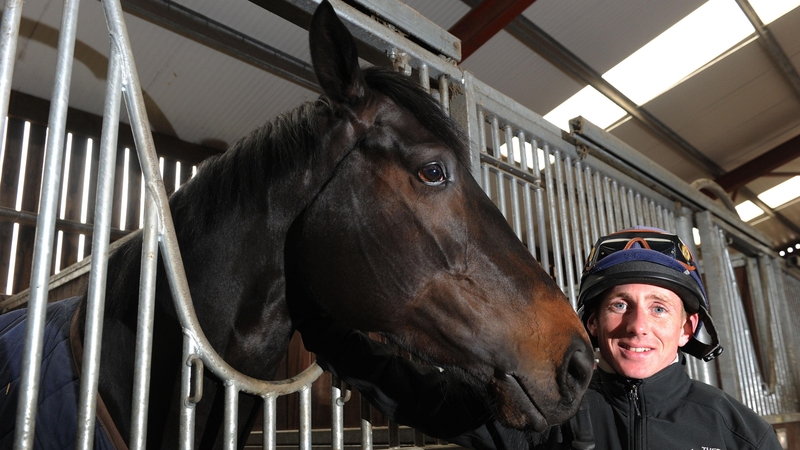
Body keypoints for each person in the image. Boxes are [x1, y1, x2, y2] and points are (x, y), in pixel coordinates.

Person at [296, 227, 782, 449]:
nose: (638, 326)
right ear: (591, 321)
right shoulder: (550, 407)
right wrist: (324, 329)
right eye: (619, 305)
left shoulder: (738, 432)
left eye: (660, 308)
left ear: (687, 327)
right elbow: (425, 397)